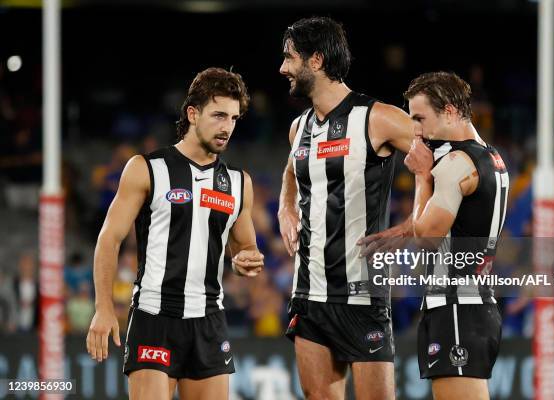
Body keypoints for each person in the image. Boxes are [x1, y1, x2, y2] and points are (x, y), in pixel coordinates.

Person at [86, 67, 264, 400]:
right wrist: (104, 307)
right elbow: (109, 238)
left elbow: (244, 246)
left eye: (234, 118)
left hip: (210, 320)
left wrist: (247, 259)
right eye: (219, 115)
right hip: (155, 317)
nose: (227, 127)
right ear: (192, 113)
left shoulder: (240, 183)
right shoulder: (147, 169)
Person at [277, 16, 414, 400]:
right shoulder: (298, 127)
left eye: (290, 58)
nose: (283, 68)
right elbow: (291, 169)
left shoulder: (378, 118)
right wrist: (285, 208)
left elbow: (440, 161)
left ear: (316, 60)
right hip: (309, 294)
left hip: (363, 295)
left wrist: (414, 224)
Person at [402, 71, 508, 399]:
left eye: (420, 118)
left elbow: (425, 238)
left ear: (449, 111)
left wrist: (422, 176)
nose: (416, 130)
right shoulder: (490, 156)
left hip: (457, 306)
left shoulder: (457, 162)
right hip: (471, 302)